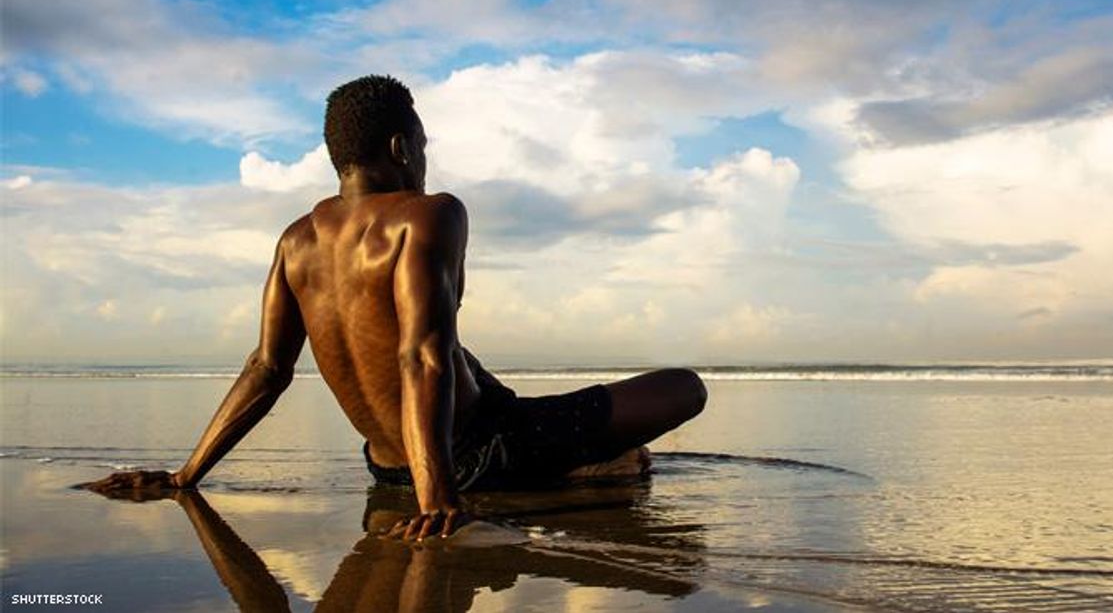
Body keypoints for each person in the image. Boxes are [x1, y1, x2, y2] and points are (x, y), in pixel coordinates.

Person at [86, 75, 707, 542]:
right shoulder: (429, 213)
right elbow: (420, 353)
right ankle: (576, 472)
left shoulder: (295, 240)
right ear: (400, 146)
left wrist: (185, 474)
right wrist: (439, 498)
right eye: (423, 145)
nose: (427, 159)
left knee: (472, 364)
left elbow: (268, 369)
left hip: (387, 467)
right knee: (685, 387)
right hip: (470, 455)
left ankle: (573, 468)